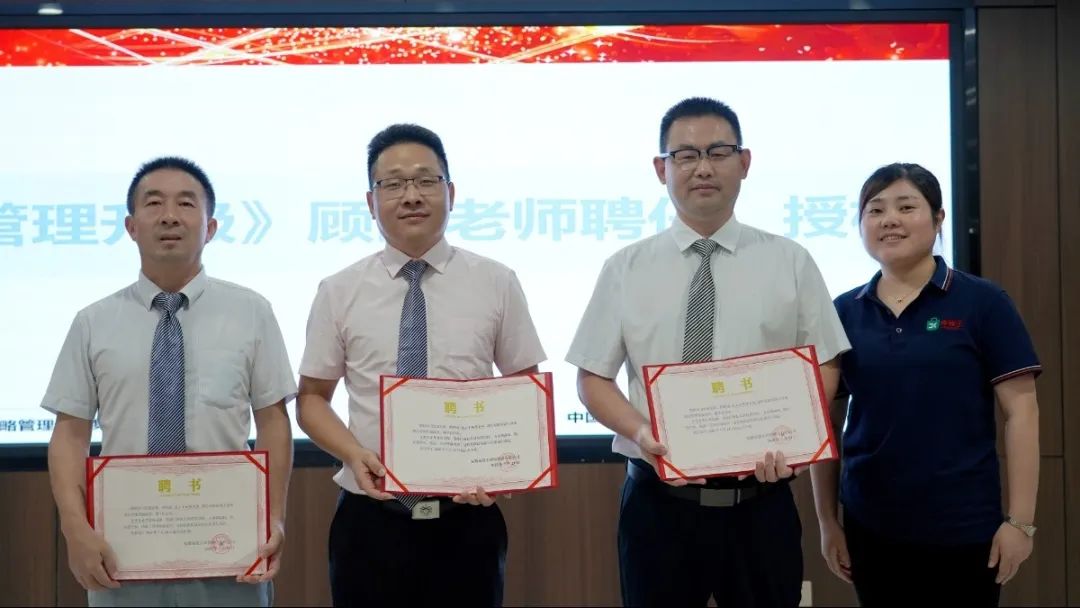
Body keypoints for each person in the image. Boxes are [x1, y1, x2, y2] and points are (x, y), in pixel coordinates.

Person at [566, 96, 851, 607]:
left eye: (718, 153)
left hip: (761, 501)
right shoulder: (625, 268)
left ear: (744, 162)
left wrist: (794, 435)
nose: (703, 168)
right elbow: (592, 379)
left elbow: (826, 363)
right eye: (685, 155)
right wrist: (642, 432)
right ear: (662, 169)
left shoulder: (790, 261)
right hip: (657, 504)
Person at [296, 123, 546, 607]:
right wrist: (352, 454)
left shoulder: (496, 281)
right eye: (393, 184)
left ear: (450, 193)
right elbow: (311, 399)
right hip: (370, 521)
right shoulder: (338, 290)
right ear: (371, 202)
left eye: (426, 181)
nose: (411, 196)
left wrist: (505, 467)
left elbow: (524, 387)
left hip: (467, 520)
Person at [42, 156, 297, 607]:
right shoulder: (93, 322)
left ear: (210, 227)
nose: (169, 216)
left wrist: (272, 517)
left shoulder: (252, 312)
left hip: (229, 549)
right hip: (122, 553)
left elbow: (273, 422)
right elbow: (70, 433)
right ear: (130, 226)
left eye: (186, 203)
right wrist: (74, 527)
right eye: (153, 203)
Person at [810, 162, 1041, 607]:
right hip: (870, 526)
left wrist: (1020, 522)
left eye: (906, 207)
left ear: (938, 219)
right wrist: (827, 520)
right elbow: (826, 421)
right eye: (875, 210)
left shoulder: (983, 302)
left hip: (964, 527)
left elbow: (1022, 413)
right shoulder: (843, 310)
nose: (889, 220)